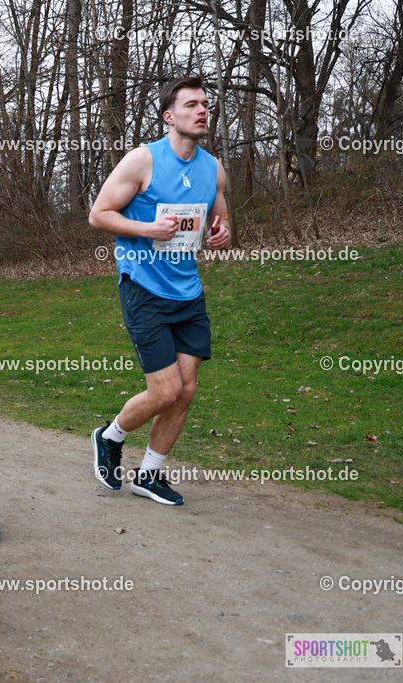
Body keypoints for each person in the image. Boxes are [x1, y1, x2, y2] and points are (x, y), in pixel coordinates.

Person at [88, 75, 231, 506]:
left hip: (188, 292)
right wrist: (147, 228)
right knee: (166, 390)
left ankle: (148, 476)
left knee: (186, 391)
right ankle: (109, 437)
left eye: (205, 104)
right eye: (191, 105)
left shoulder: (213, 168)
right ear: (170, 117)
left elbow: (219, 221)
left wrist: (221, 233)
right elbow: (99, 214)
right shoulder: (142, 160)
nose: (202, 110)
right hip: (144, 288)